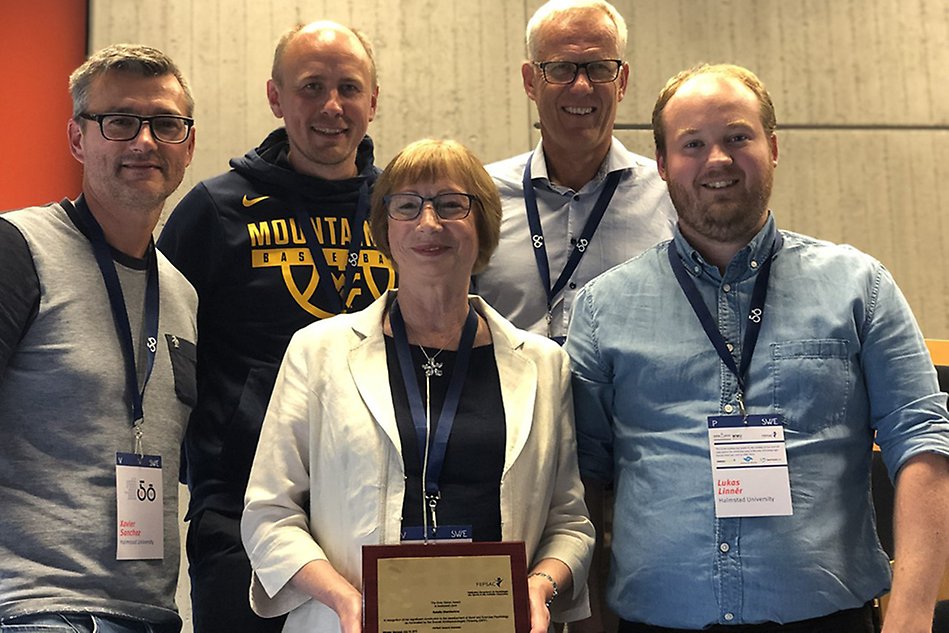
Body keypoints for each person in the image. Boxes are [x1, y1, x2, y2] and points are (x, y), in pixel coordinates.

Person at [566, 63, 949, 632]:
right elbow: (582, 480)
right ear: (663, 164)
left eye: (737, 137)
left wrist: (913, 616)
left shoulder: (859, 287)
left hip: (828, 621)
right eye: (692, 144)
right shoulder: (603, 308)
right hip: (656, 622)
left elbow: (923, 443)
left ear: (772, 147)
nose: (716, 159)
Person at [241, 139, 594, 633]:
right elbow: (269, 514)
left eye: (452, 204)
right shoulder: (317, 352)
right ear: (385, 229)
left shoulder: (542, 364)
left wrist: (539, 586)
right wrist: (344, 601)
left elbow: (569, 523)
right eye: (407, 206)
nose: (429, 223)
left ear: (484, 225)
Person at [156, 20, 396, 633]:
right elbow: (159, 355)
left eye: (348, 88)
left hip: (377, 507)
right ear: (276, 97)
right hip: (241, 511)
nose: (332, 107)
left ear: (374, 99)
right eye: (311, 87)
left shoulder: (403, 209)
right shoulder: (215, 211)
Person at [0, 44, 197, 632]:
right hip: (38, 608)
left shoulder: (183, 296)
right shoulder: (19, 248)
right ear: (78, 139)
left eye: (165, 124)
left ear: (187, 144)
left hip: (151, 614)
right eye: (119, 122)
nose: (144, 142)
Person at [474, 0, 676, 344]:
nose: (581, 86)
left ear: (622, 81)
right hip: (514, 398)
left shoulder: (671, 196)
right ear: (530, 81)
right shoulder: (481, 197)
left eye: (599, 68)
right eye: (561, 68)